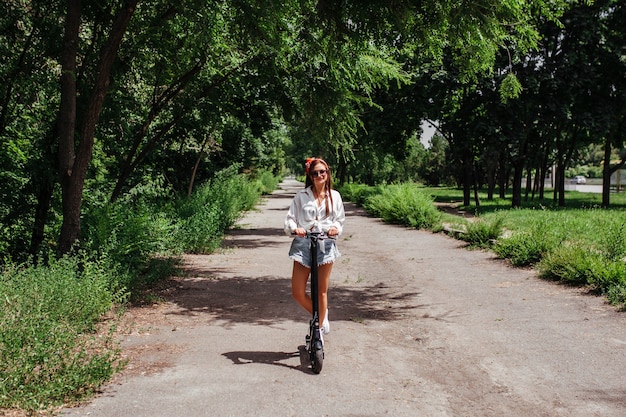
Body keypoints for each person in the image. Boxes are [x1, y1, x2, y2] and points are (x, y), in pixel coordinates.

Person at [284, 158, 345, 336]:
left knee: (321, 292)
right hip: (303, 244)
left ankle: (318, 333)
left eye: (322, 172)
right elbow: (290, 218)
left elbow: (340, 220)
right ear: (310, 176)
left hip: (325, 243)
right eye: (315, 173)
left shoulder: (335, 196)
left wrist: (336, 229)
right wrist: (295, 228)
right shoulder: (301, 196)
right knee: (298, 292)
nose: (319, 175)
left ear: (327, 173)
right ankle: (321, 315)